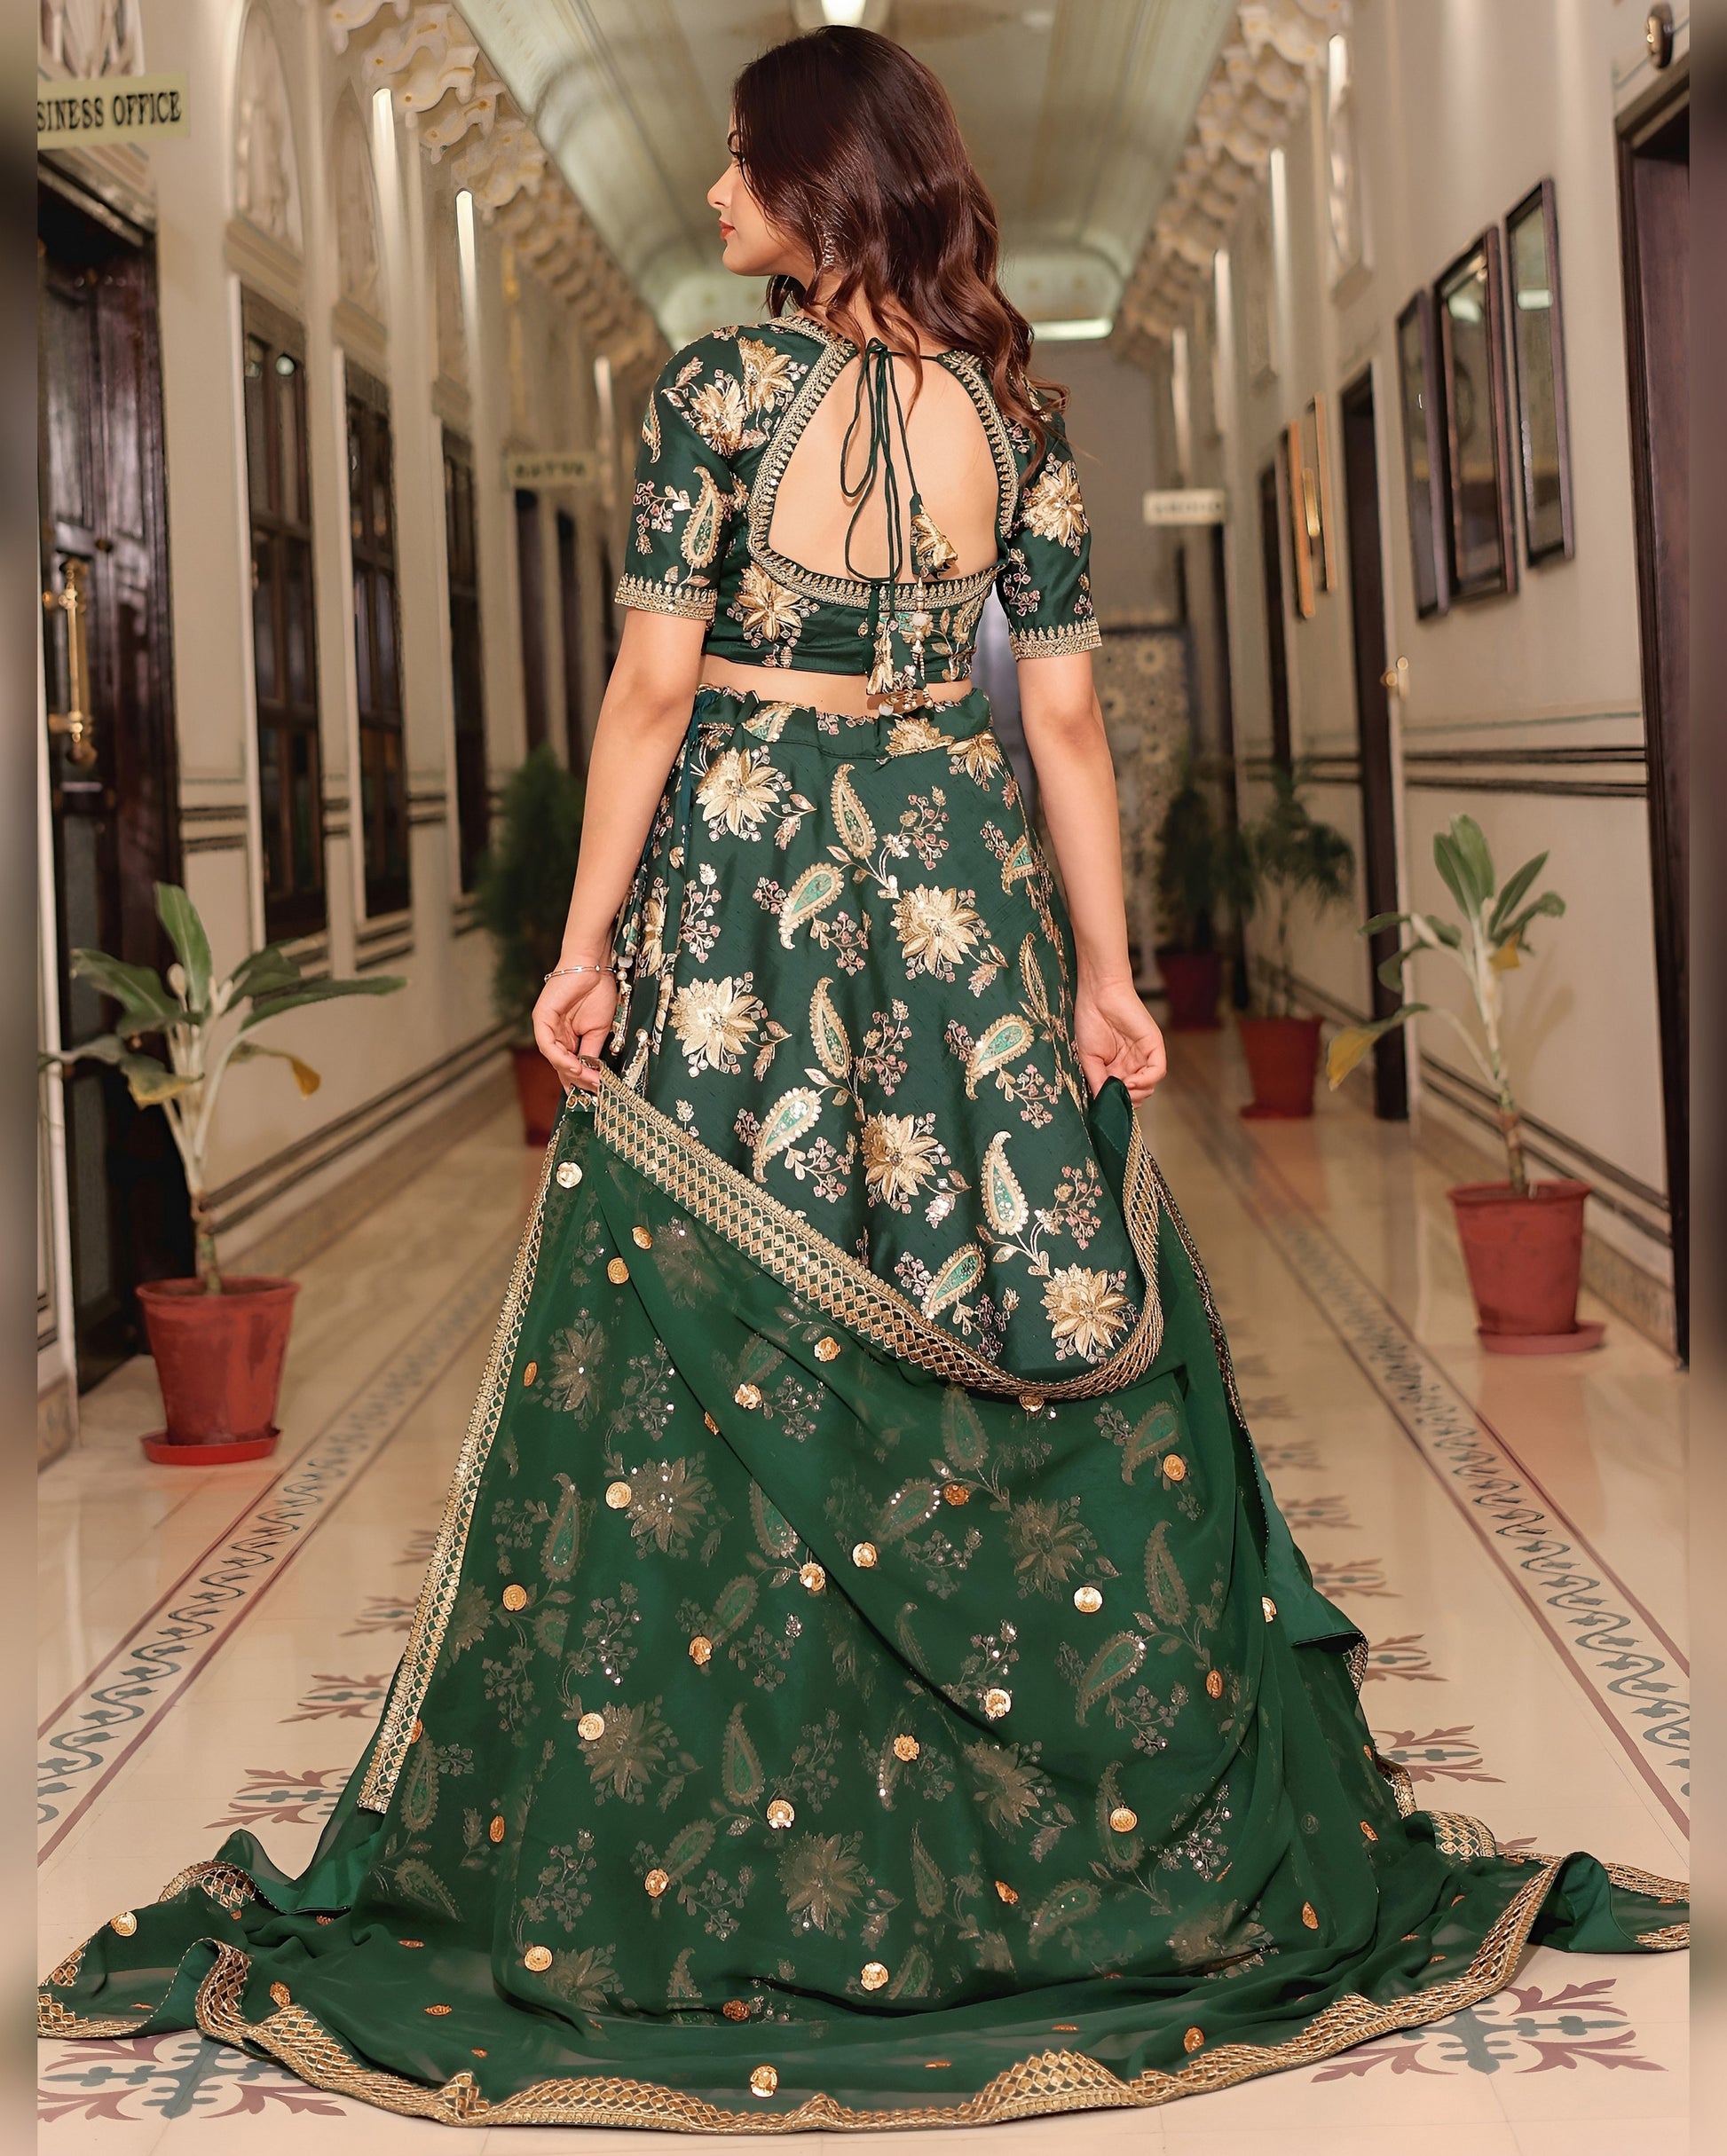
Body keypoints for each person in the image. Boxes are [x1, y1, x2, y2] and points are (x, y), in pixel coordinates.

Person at [39, 24, 1685, 2132]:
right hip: (954, 888)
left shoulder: (721, 394)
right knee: (990, 1287)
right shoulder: (1018, 412)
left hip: (749, 891)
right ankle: (1056, 1824)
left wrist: (580, 943)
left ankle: (741, 1833)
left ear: (814, 185)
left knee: (724, 1324)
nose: (710, 198)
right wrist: (1102, 972)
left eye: (737, 165)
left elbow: (652, 690)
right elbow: (1060, 723)